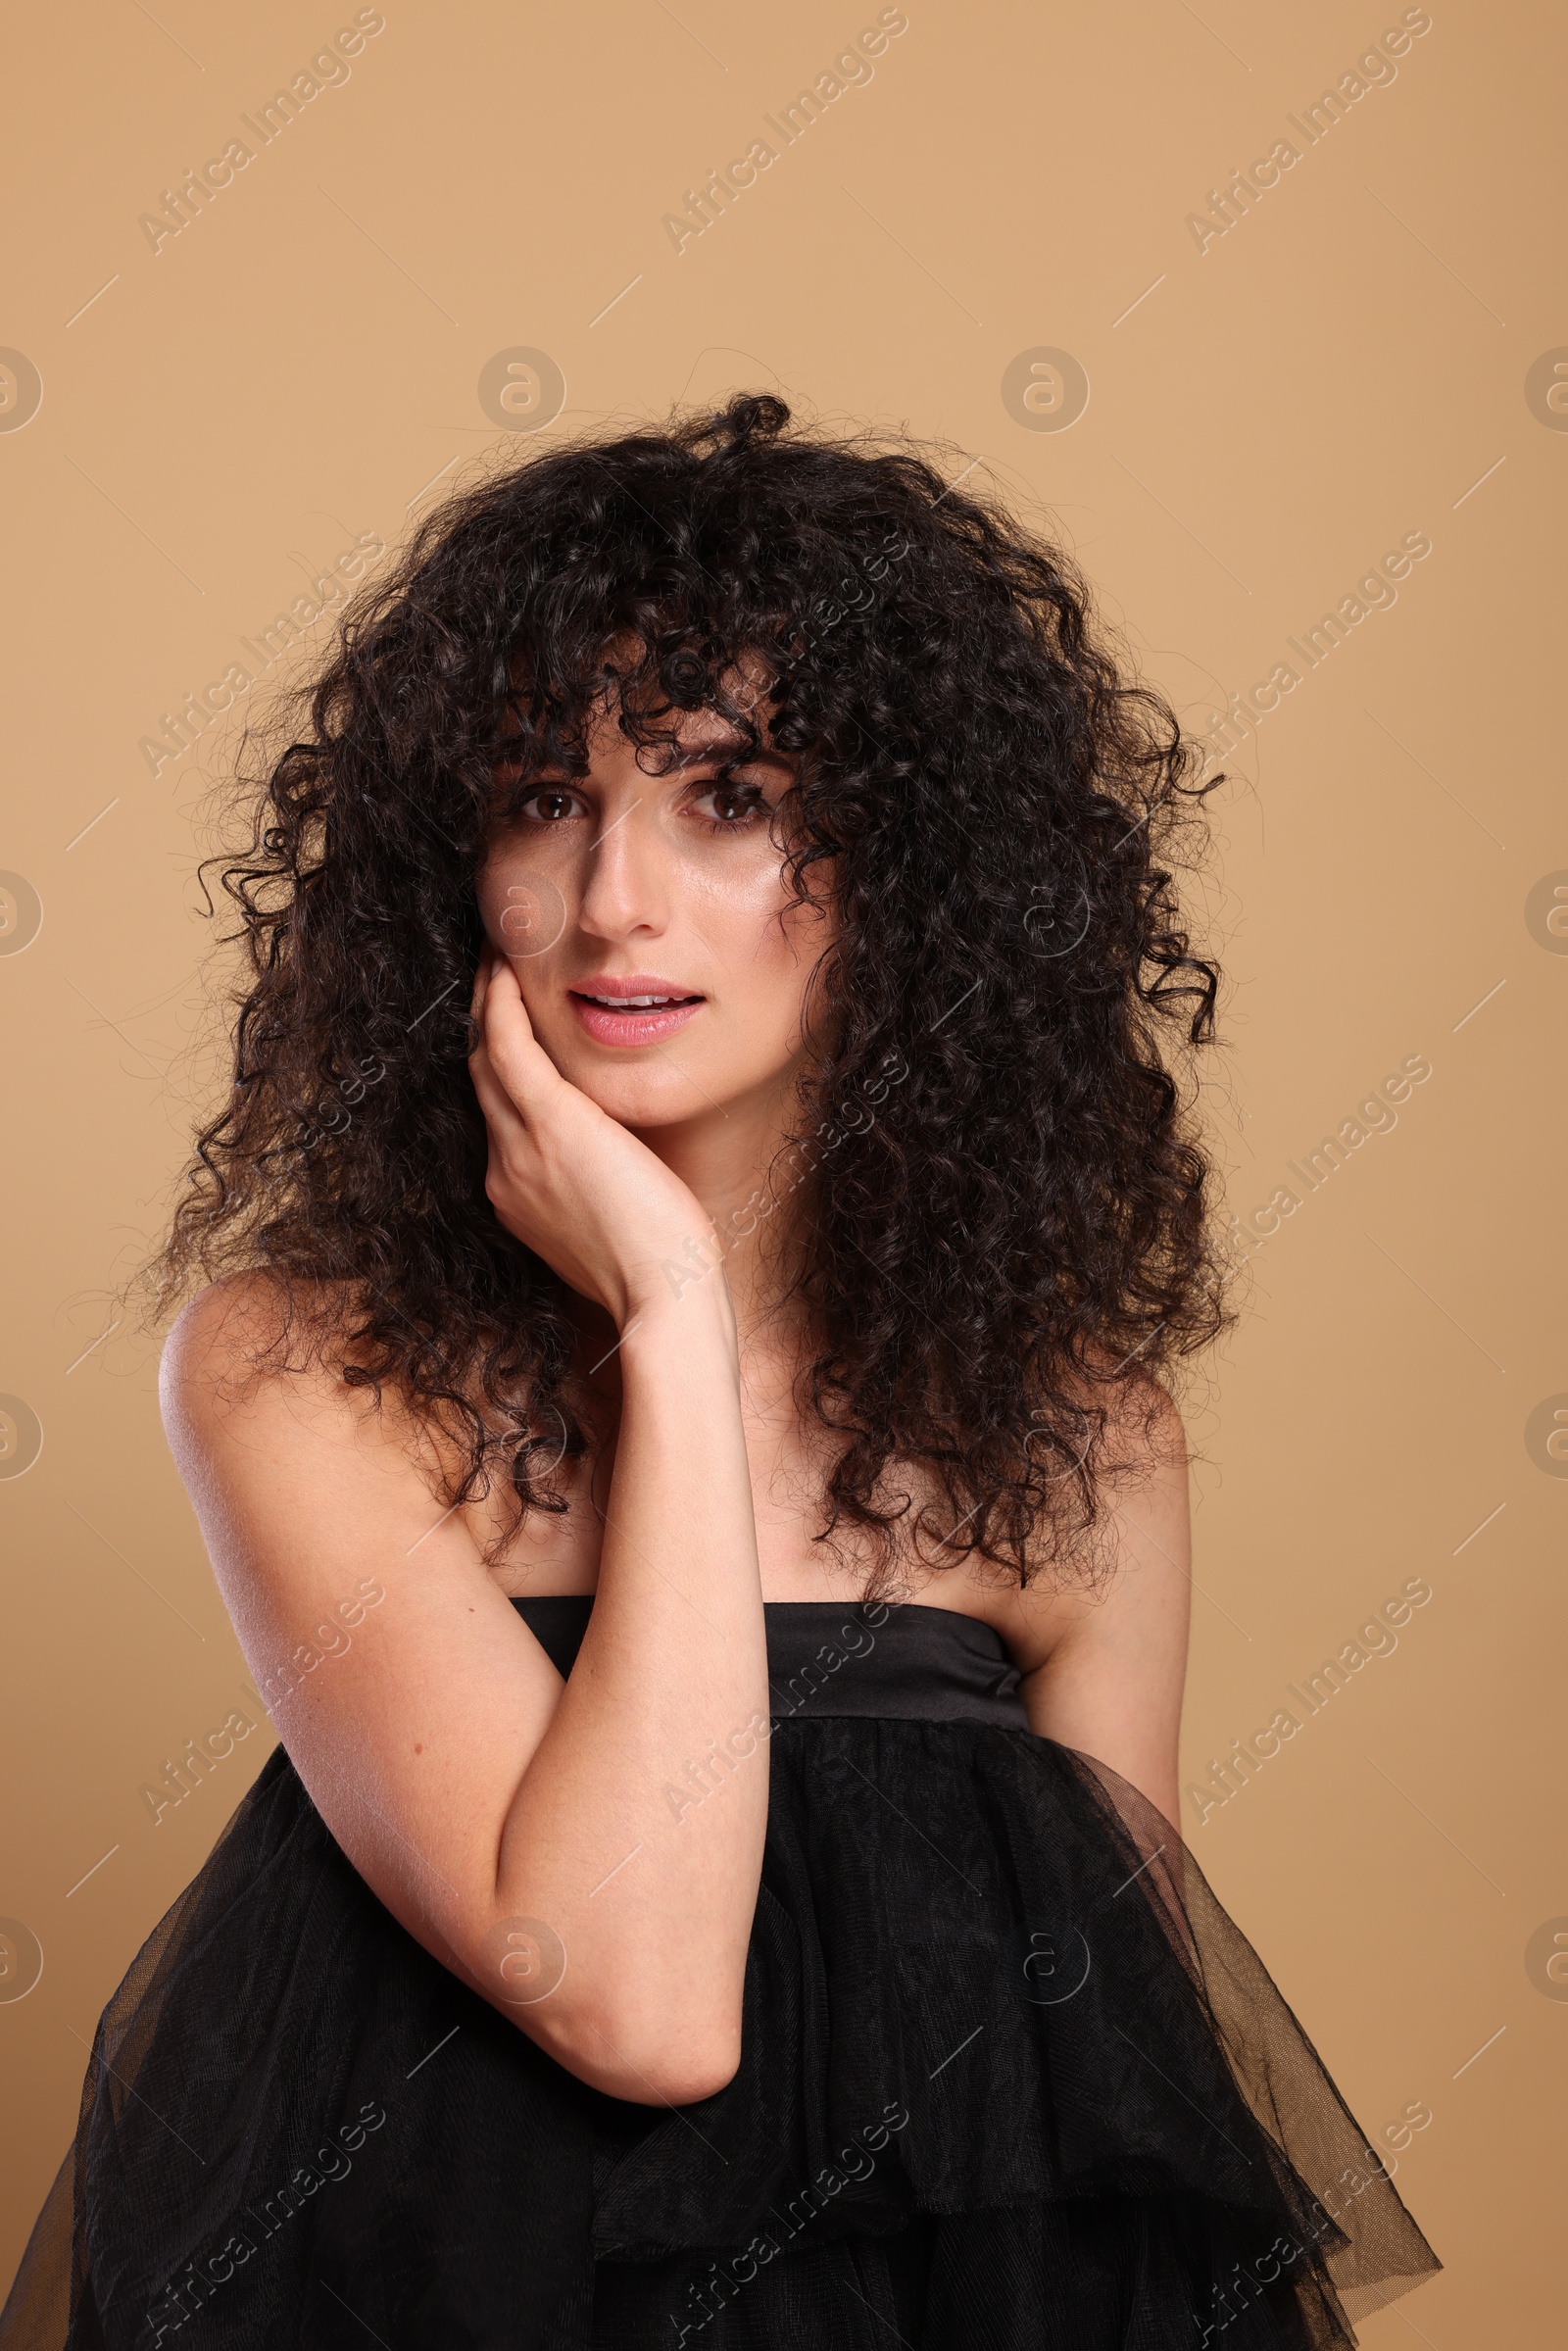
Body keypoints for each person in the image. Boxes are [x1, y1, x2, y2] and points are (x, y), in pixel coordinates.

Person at [1, 395, 1439, 2349]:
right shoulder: (300, 1369)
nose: (612, 898)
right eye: (537, 795)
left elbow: (1109, 2143)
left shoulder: (1077, 1441)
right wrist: (667, 1315)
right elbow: (633, 1997)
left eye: (728, 799)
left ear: (904, 864)